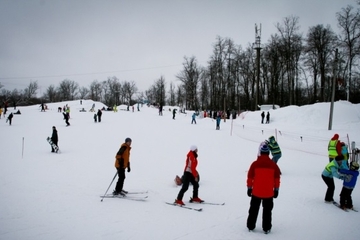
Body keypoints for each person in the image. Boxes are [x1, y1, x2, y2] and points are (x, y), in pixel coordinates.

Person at [246, 142, 281, 234]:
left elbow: (250, 177)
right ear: (268, 153)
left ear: (261, 153)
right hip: (268, 193)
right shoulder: (273, 165)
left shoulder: (255, 164)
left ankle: (251, 225)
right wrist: (276, 190)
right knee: (267, 211)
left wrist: (249, 188)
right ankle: (266, 227)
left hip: (256, 192)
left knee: (253, 209)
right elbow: (277, 178)